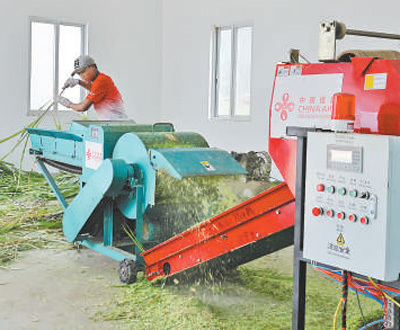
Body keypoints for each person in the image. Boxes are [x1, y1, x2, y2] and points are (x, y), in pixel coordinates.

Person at [55, 55, 128, 120]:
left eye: (83, 71)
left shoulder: (101, 81)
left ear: (92, 67)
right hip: (113, 121)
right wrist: (78, 82)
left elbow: (82, 107)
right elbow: (94, 90)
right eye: (79, 74)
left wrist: (68, 104)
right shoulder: (101, 80)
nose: (82, 76)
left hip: (115, 122)